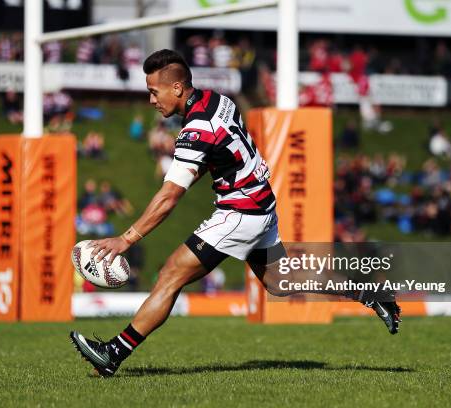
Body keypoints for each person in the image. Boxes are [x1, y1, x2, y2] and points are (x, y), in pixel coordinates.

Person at [69, 49, 402, 378]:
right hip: (261, 204)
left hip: (241, 210)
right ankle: (368, 292)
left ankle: (113, 352)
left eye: (154, 92)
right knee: (281, 282)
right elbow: (222, 152)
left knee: (170, 274)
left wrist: (125, 240)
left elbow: (169, 197)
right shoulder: (217, 99)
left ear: (177, 88)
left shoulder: (196, 131)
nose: (151, 100)